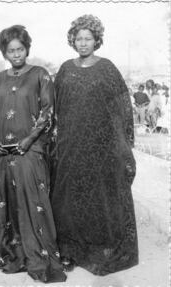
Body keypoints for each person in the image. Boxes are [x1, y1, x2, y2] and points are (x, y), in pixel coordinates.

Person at [51, 15, 138, 276]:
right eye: (79, 38)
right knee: (68, 199)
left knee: (99, 199)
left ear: (96, 40)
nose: (83, 43)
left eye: (88, 38)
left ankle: (100, 250)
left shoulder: (108, 68)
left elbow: (123, 106)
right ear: (72, 40)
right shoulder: (65, 68)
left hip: (101, 149)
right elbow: (56, 105)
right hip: (70, 145)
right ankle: (69, 251)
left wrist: (124, 142)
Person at [0, 25, 66, 283]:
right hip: (2, 154)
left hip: (31, 151)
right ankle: (14, 253)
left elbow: (47, 113)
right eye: (11, 51)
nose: (16, 54)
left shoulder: (40, 75)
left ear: (27, 48)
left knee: (33, 201)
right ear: (4, 52)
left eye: (20, 49)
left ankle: (40, 258)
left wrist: (29, 140)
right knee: (7, 202)